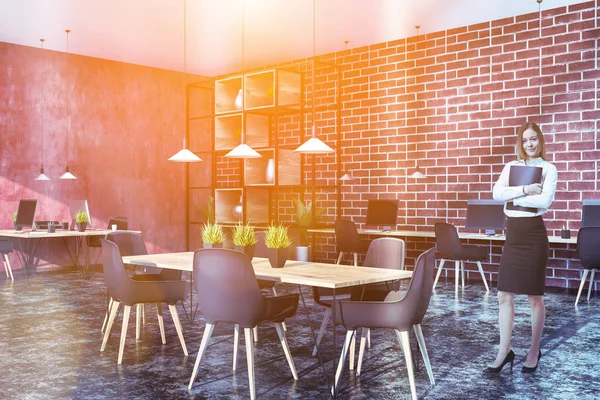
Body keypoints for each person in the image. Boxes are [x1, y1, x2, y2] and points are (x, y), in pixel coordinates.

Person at [485, 121, 558, 374]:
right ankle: (504, 351)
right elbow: (496, 194)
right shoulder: (511, 167)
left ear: (540, 140)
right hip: (513, 236)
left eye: (534, 139)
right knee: (503, 295)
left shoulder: (549, 169)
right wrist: (525, 189)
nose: (530, 144)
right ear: (521, 142)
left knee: (534, 297)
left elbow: (544, 201)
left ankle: (533, 350)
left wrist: (512, 195)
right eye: (525, 140)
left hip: (534, 236)